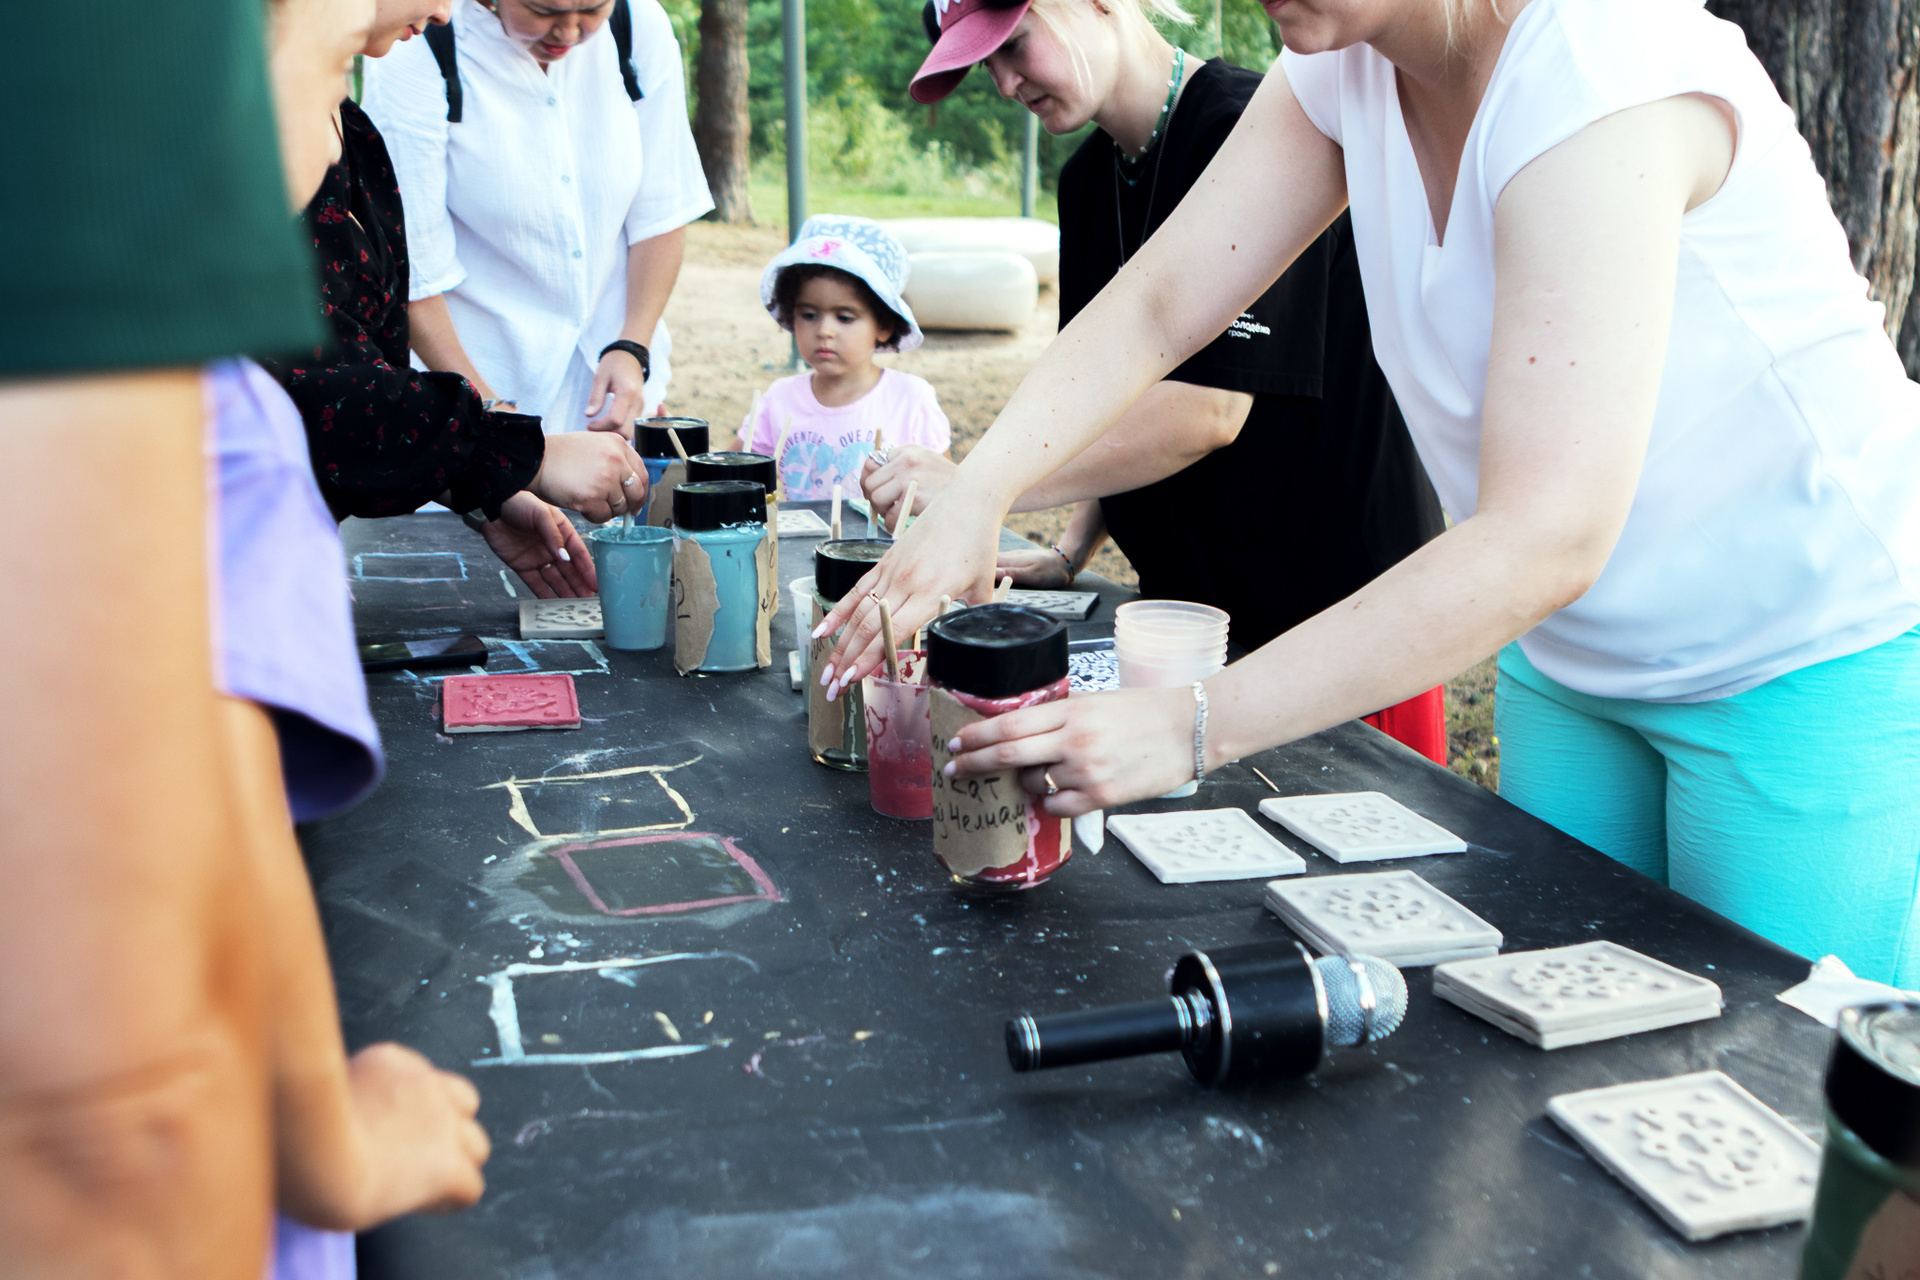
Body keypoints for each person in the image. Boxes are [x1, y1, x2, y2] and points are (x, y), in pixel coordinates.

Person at [823, 0, 1920, 985]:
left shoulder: (1601, 69)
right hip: (1573, 659)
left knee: (1781, 1080)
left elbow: (1546, 534)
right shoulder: (1340, 65)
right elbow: (1162, 302)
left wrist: (1189, 723)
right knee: (1557, 1046)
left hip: (1801, 655)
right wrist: (978, 491)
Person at [865, 0, 1448, 759]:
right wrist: (1073, 549)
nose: (1005, 84)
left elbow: (1207, 409)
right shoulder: (1086, 179)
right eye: (986, 65)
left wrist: (979, 486)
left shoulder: (1248, 126)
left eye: (1014, 44)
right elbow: (1105, 392)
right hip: (1191, 617)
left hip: (1335, 617)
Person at [0, 0, 325, 1269]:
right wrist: (340, 1142)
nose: (342, 141)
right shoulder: (215, 412)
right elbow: (103, 1126)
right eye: (341, 65)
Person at [264, 0, 645, 600]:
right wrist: (524, 456)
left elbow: (365, 373)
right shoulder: (234, 141)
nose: (446, 12)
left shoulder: (351, 129)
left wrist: (482, 488)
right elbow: (310, 388)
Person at [362, 0, 714, 440]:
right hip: (472, 384)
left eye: (592, 9)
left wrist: (632, 347)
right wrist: (491, 414)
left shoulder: (638, 23)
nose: (568, 32)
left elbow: (661, 211)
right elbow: (414, 271)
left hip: (615, 385)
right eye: (544, 11)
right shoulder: (416, 43)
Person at [742, 215, 951, 500]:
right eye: (809, 315)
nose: (824, 331)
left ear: (883, 324)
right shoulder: (779, 400)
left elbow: (946, 493)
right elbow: (731, 469)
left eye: (845, 317)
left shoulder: (911, 399)